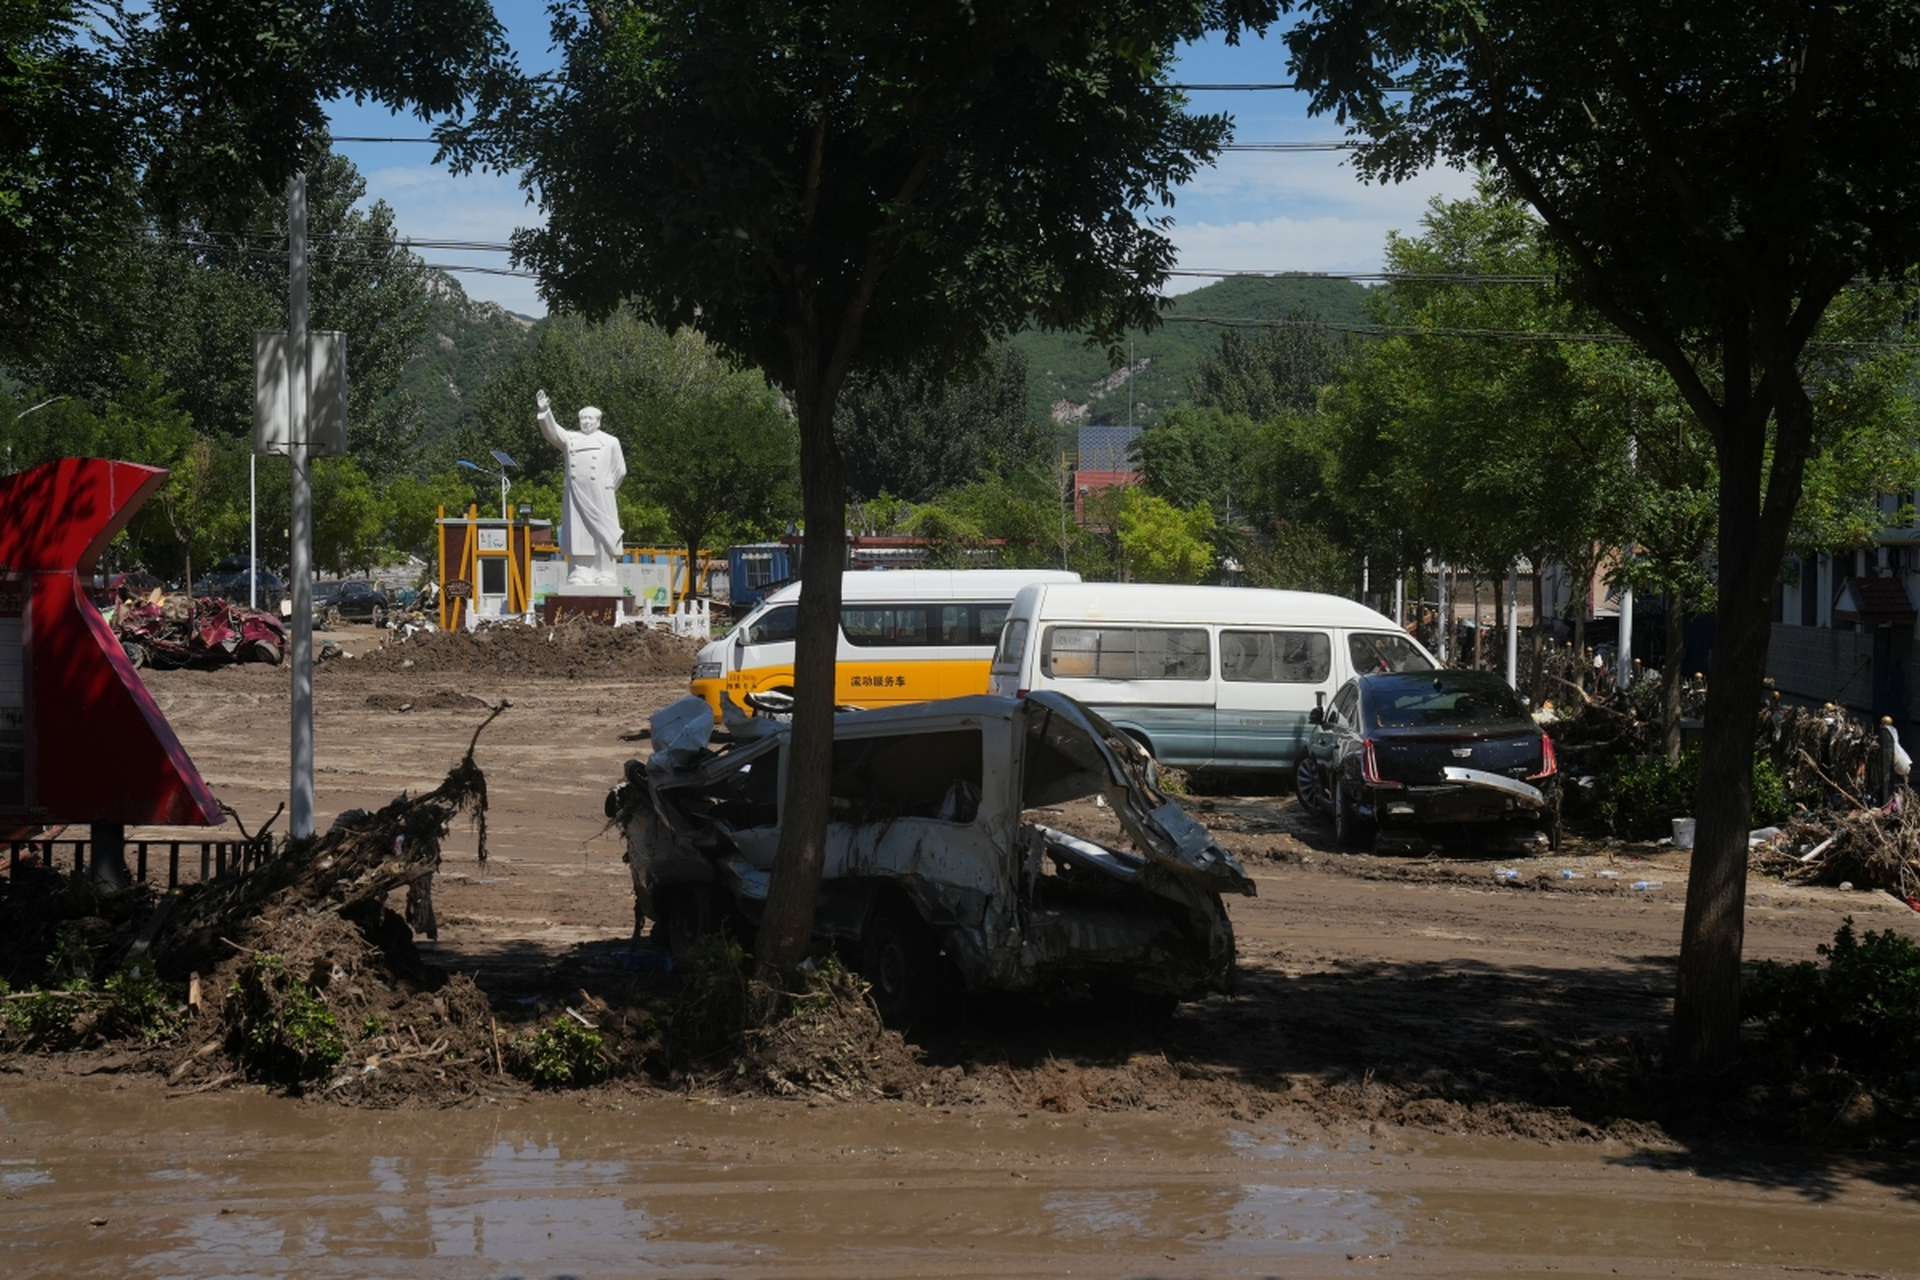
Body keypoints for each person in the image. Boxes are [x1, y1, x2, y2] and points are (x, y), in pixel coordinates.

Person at [536, 389, 628, 587]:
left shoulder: (610, 441)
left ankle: (606, 571)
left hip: (601, 495)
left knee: (604, 531)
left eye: (590, 419)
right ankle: (581, 570)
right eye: (583, 418)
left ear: (598, 421)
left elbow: (620, 470)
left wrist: (608, 488)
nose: (586, 422)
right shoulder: (571, 439)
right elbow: (553, 432)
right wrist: (545, 411)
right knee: (579, 531)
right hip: (576, 495)